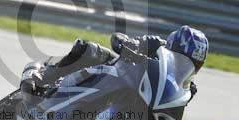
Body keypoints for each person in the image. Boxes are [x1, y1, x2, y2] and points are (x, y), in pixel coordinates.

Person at [21, 26, 208, 100]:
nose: (184, 66)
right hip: (120, 72)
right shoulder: (155, 44)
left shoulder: (186, 88)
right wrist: (127, 43)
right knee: (89, 49)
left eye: (191, 64)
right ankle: (43, 75)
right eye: (182, 58)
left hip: (139, 103)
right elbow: (124, 40)